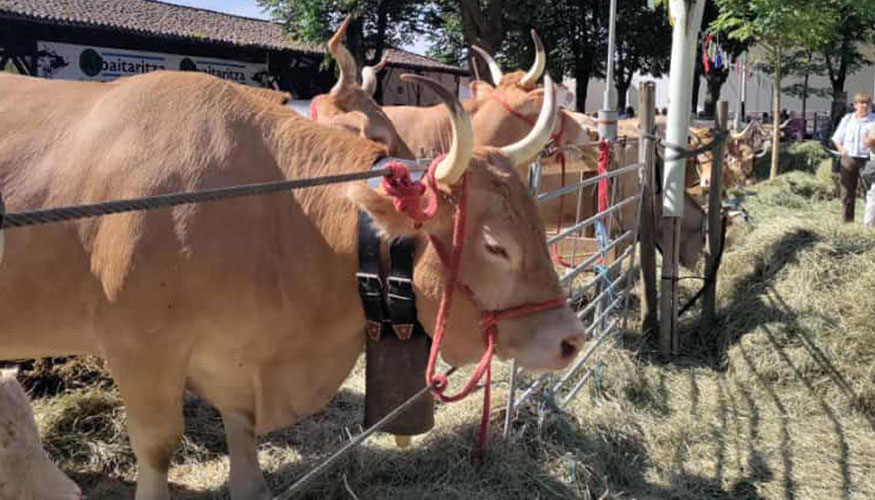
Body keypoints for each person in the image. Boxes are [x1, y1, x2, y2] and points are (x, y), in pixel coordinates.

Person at [832, 92, 875, 223]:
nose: (863, 106)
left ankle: (870, 223)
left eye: (866, 103)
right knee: (847, 192)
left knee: (870, 192)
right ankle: (847, 222)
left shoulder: (874, 120)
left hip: (868, 160)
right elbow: (837, 138)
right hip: (849, 159)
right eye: (860, 103)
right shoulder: (848, 119)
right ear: (855, 105)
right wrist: (841, 149)